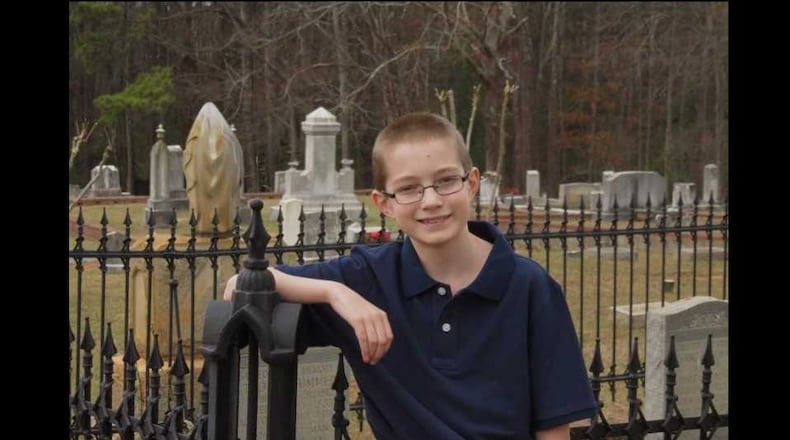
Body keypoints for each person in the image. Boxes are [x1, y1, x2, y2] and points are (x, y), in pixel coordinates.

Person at [224, 112, 597, 439]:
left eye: (446, 181)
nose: (431, 201)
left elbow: (553, 428)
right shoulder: (367, 279)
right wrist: (338, 294)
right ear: (383, 203)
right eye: (408, 189)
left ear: (472, 183)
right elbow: (240, 286)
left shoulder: (530, 287)